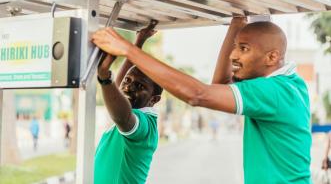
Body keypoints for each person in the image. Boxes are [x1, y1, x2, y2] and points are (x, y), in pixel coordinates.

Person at [92, 17, 311, 184]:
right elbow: (220, 85)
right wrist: (236, 22)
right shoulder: (288, 85)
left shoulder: (274, 91)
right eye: (235, 46)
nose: (233, 56)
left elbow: (199, 94)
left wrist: (127, 48)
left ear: (272, 57)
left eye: (243, 48)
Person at [94, 25, 163, 184]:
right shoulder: (131, 106)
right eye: (128, 80)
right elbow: (119, 89)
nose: (128, 87)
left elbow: (123, 117)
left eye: (140, 86)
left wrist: (104, 76)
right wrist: (138, 42)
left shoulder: (144, 126)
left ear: (154, 99)